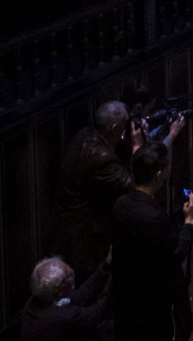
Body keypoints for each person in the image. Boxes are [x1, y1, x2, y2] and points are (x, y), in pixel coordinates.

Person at [110, 142, 193, 341]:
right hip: (154, 300)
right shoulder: (154, 217)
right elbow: (176, 253)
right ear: (158, 175)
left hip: (127, 294)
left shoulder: (120, 204)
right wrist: (189, 222)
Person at [56, 102, 137, 277]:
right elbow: (134, 187)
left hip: (73, 229)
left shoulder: (85, 134)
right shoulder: (100, 157)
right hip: (87, 239)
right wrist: (137, 146)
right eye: (124, 127)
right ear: (114, 128)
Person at [20, 255, 109, 341]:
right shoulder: (62, 316)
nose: (73, 273)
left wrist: (106, 265)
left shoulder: (44, 297)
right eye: (70, 275)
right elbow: (96, 313)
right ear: (59, 292)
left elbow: (82, 295)